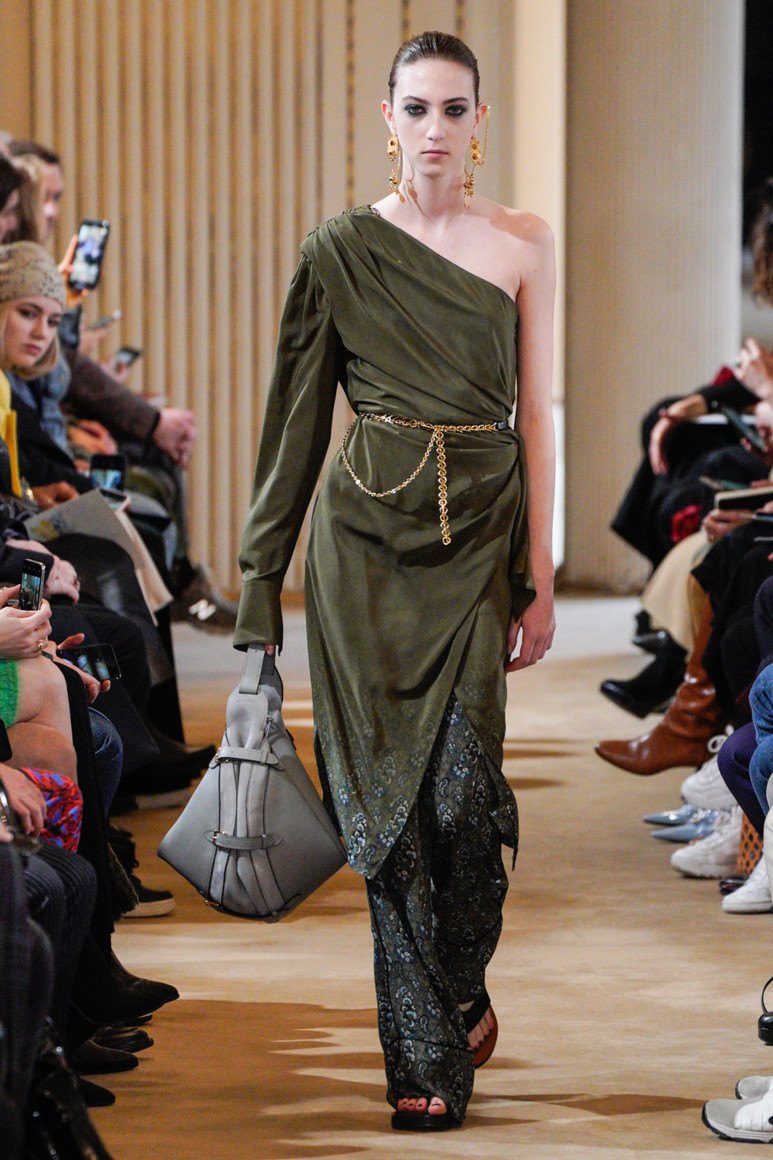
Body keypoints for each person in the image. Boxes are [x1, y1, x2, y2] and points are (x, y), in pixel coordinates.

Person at [235, 31, 556, 1132]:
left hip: (476, 550)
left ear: (479, 122)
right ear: (387, 120)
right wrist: (256, 591)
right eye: (415, 108)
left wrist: (540, 569)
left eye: (453, 109)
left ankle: (456, 986)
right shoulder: (338, 252)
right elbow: (291, 430)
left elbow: (536, 418)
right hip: (361, 556)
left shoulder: (522, 240)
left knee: (463, 798)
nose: (433, 130)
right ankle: (420, 1055)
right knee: (385, 814)